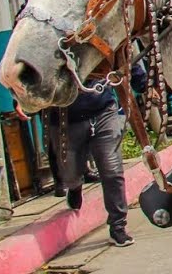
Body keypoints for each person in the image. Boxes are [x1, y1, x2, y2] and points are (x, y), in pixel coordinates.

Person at [56, 66, 145, 248]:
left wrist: (143, 83)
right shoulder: (50, 41)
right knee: (70, 174)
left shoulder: (93, 37)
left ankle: (118, 226)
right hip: (65, 117)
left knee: (112, 170)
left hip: (103, 109)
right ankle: (75, 186)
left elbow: (118, 52)